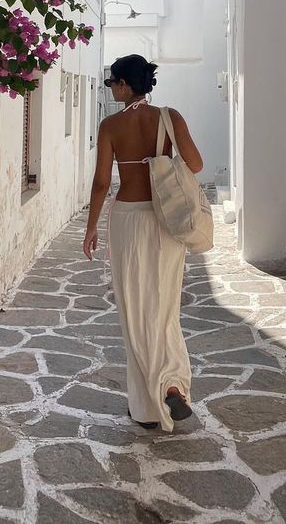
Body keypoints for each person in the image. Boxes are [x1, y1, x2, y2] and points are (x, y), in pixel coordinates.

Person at [83, 54, 203, 432]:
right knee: (165, 306)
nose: (112, 90)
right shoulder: (170, 117)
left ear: (123, 85)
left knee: (135, 309)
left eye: (113, 83)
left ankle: (146, 408)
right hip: (165, 219)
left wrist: (91, 228)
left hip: (129, 220)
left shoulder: (111, 126)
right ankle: (171, 384)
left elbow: (102, 181)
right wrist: (161, 160)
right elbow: (195, 164)